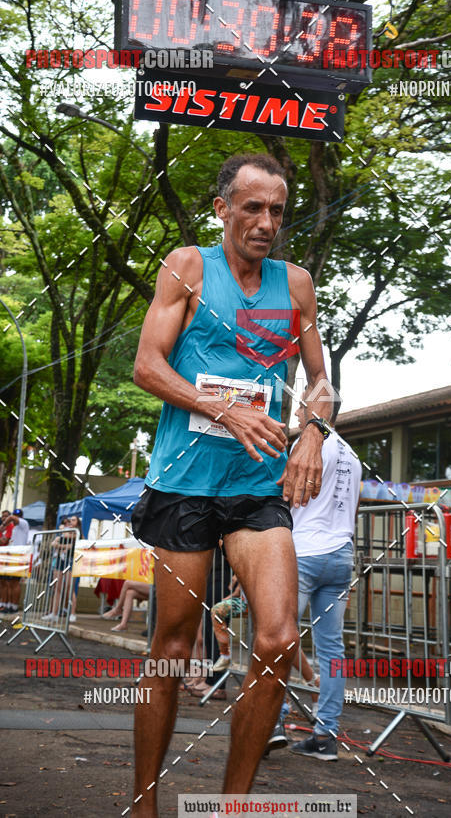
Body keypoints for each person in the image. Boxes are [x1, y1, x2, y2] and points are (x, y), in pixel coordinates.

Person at [130, 152, 333, 814]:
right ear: (223, 209)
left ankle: (233, 807)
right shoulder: (187, 267)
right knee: (172, 647)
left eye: (277, 210)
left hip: (255, 487)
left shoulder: (296, 284)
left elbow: (320, 382)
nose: (266, 222)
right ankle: (145, 803)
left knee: (278, 639)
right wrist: (224, 409)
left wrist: (312, 432)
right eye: (252, 208)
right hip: (186, 482)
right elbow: (147, 365)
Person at [268, 395, 361, 760]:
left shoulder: (308, 444)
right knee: (332, 650)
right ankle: (325, 736)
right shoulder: (352, 454)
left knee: (278, 637)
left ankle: (272, 723)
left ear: (316, 409)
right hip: (340, 556)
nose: (296, 412)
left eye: (301, 405)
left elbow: (286, 494)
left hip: (304, 552)